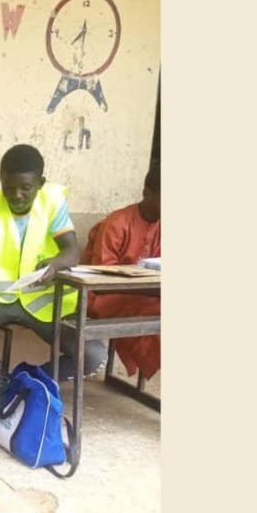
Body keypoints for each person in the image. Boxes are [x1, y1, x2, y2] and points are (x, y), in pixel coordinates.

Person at [0, 144, 107, 453]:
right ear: (0, 179)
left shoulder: (53, 204)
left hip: (41, 301)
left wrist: (54, 266)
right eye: (9, 187)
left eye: (25, 188)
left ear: (40, 183)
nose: (16, 195)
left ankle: (24, 384)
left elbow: (72, 251)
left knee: (94, 356)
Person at [83, 163, 161, 380]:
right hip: (104, 297)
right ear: (147, 193)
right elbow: (100, 278)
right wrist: (152, 291)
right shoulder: (117, 223)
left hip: (145, 296)